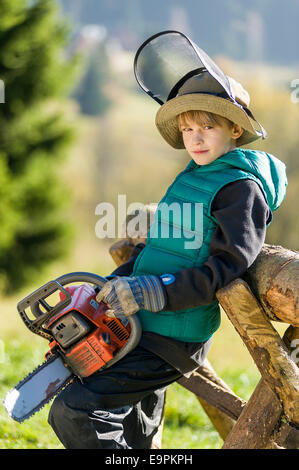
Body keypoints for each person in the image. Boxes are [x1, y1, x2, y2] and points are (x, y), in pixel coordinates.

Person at [48, 31, 287, 449]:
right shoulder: (195, 176)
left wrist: (152, 291)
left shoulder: (240, 188)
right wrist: (110, 286)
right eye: (188, 127)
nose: (194, 137)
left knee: (75, 411)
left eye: (207, 127)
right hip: (148, 322)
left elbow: (227, 267)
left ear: (234, 128)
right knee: (135, 428)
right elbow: (161, 249)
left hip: (174, 335)